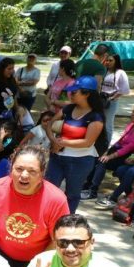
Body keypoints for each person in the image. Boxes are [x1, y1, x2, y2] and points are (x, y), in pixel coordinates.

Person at [43, 76, 105, 213]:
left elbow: (88, 142)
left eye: (74, 92)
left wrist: (64, 142)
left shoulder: (96, 117)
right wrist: (54, 141)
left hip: (80, 161)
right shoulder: (68, 109)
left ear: (87, 94)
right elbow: (49, 125)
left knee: (72, 194)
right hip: (57, 157)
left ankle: (67, 221)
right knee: (48, 189)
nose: (70, 94)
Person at [81, 104, 134, 200]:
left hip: (132, 157)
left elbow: (131, 146)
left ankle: (93, 190)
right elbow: (121, 141)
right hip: (122, 153)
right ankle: (88, 186)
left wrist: (110, 157)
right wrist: (107, 152)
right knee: (99, 159)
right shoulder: (132, 124)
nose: (133, 114)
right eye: (133, 111)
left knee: (103, 162)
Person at [101, 54, 131, 144]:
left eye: (111, 61)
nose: (108, 62)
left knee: (107, 124)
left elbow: (125, 89)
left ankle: (106, 144)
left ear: (116, 62)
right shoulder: (104, 71)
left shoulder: (120, 73)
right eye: (107, 60)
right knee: (98, 121)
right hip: (101, 99)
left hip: (111, 101)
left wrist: (113, 98)